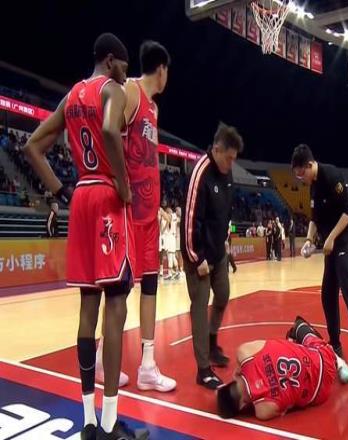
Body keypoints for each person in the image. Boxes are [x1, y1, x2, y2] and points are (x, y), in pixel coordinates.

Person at [24, 33, 148, 439]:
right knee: (117, 304)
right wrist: (124, 185)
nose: (126, 75)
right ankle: (110, 425)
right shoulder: (111, 89)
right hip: (107, 197)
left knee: (87, 306)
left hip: (80, 196)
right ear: (110, 61)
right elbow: (111, 130)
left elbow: (32, 147)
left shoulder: (72, 95)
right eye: (124, 66)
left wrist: (60, 191)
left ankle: (89, 422)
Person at [95, 40, 176, 393]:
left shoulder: (154, 108)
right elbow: (107, 133)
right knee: (120, 290)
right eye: (168, 72)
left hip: (149, 216)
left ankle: (147, 366)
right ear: (162, 69)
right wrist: (121, 185)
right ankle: (101, 359)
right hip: (127, 214)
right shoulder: (130, 91)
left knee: (151, 286)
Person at [291, 144, 348, 375]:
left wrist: (330, 238)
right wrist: (309, 240)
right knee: (327, 293)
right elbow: (314, 217)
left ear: (310, 165)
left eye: (301, 174)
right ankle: (335, 345)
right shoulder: (313, 186)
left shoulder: (331, 175)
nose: (301, 179)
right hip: (330, 243)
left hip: (345, 239)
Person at [181, 123, 244, 389]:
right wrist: (196, 258)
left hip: (218, 252)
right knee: (200, 305)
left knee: (223, 294)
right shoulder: (200, 173)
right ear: (216, 149)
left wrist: (225, 245)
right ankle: (203, 369)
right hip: (198, 254)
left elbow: (225, 215)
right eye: (228, 158)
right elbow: (189, 221)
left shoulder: (227, 174)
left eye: (234, 159)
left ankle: (212, 341)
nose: (231, 163)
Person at [217, 316, 347, 420]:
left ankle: (336, 362)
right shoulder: (244, 352)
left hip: (320, 393)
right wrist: (242, 370)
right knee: (298, 326)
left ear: (241, 405)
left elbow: (284, 409)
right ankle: (337, 359)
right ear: (231, 382)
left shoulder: (263, 410)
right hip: (323, 357)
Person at [175, 207, 184, 276]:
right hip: (175, 237)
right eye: (176, 210)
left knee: (180, 253)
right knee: (176, 254)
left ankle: (181, 269)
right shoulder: (175, 218)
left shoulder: (181, 219)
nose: (176, 212)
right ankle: (177, 268)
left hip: (180, 237)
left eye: (177, 210)